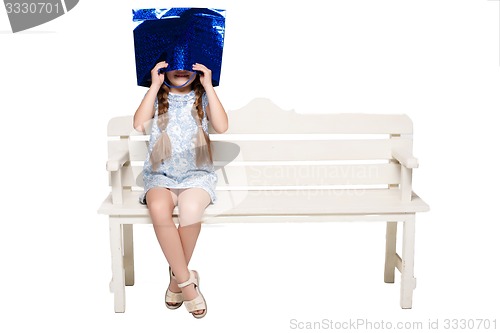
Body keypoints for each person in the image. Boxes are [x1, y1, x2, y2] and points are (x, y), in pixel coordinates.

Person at [133, 61, 228, 318]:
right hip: (160, 176)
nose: (181, 68)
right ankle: (188, 284)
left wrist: (209, 86)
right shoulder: (157, 96)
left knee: (190, 209)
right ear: (163, 70)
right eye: (174, 64)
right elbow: (138, 123)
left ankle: (177, 280)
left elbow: (222, 126)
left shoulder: (202, 97)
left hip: (196, 176)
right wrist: (153, 85)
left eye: (188, 64)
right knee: (158, 208)